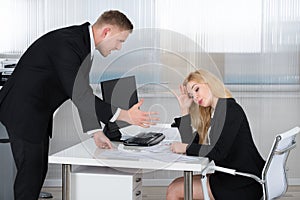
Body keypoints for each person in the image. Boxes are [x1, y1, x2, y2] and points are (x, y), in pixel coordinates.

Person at [0, 10, 158, 200]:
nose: (119, 48)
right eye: (120, 41)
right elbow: (80, 95)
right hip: (23, 112)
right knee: (30, 175)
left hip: (36, 113)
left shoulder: (81, 44)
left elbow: (80, 92)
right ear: (106, 32)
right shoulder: (69, 45)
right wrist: (124, 115)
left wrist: (95, 132)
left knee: (38, 171)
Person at [166, 69, 265, 200]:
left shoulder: (230, 110)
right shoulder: (214, 112)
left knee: (174, 190)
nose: (195, 97)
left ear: (210, 83)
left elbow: (219, 152)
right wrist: (185, 108)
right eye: (191, 95)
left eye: (197, 89)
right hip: (231, 177)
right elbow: (190, 142)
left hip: (243, 183)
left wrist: (184, 148)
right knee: (175, 185)